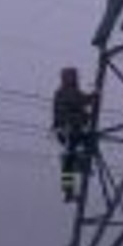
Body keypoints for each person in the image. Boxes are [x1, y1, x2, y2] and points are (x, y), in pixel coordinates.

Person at [52, 67, 98, 203]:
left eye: (74, 76)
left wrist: (92, 97)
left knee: (72, 157)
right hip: (69, 130)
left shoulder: (70, 91)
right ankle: (71, 187)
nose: (74, 78)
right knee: (73, 156)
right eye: (71, 76)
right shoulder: (64, 92)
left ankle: (71, 186)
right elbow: (81, 101)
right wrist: (94, 96)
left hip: (71, 130)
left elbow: (82, 101)